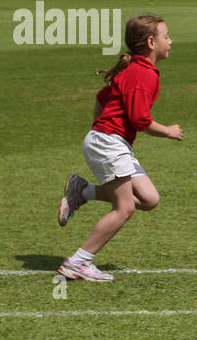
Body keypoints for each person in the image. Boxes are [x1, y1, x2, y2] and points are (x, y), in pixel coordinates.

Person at [56, 15, 183, 281]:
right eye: (166, 36)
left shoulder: (132, 67)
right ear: (151, 42)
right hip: (109, 143)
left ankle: (83, 191)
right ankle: (79, 262)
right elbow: (140, 120)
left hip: (108, 141)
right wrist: (168, 131)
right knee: (124, 208)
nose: (170, 41)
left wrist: (100, 129)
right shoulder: (143, 74)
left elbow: (101, 98)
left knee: (148, 199)